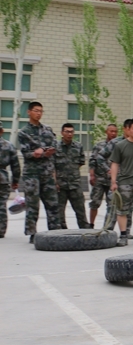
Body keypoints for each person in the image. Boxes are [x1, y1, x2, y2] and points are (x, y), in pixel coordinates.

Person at [18, 102, 61, 242]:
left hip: (47, 173)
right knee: (32, 205)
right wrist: (42, 152)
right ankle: (32, 233)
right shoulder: (23, 132)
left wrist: (43, 151)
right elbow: (26, 153)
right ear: (29, 112)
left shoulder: (47, 130)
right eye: (36, 111)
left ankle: (55, 231)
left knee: (53, 203)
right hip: (32, 174)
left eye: (41, 111)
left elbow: (55, 145)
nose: (39, 113)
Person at [54, 123, 89, 229]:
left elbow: (80, 162)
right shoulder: (55, 147)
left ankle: (84, 231)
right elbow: (52, 166)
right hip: (61, 185)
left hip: (75, 184)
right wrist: (55, 181)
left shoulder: (78, 146)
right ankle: (62, 232)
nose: (69, 134)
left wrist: (71, 173)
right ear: (62, 133)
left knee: (80, 210)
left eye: (71, 132)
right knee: (59, 212)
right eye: (67, 131)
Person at [89, 124, 118, 228]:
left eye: (115, 131)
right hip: (99, 179)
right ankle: (91, 224)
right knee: (95, 203)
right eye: (111, 131)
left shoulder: (118, 145)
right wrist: (92, 175)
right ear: (106, 132)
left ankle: (107, 226)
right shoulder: (99, 145)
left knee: (111, 204)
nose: (113, 134)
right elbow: (93, 160)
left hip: (112, 180)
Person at [0, 124, 21, 238]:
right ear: (2, 131)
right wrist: (15, 181)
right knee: (1, 205)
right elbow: (16, 165)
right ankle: (1, 230)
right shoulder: (8, 146)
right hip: (2, 178)